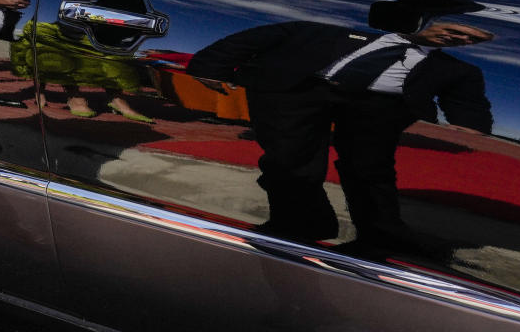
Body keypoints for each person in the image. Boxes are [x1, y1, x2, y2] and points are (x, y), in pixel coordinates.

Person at [187, 18, 493, 250]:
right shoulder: (332, 29)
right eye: (458, 29)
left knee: (370, 169)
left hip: (382, 106)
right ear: (429, 20)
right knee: (290, 160)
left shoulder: (458, 70)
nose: (460, 37)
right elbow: (260, 37)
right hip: (301, 89)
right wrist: (210, 65)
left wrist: (469, 128)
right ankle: (302, 225)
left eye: (471, 38)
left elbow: (469, 108)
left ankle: (381, 235)